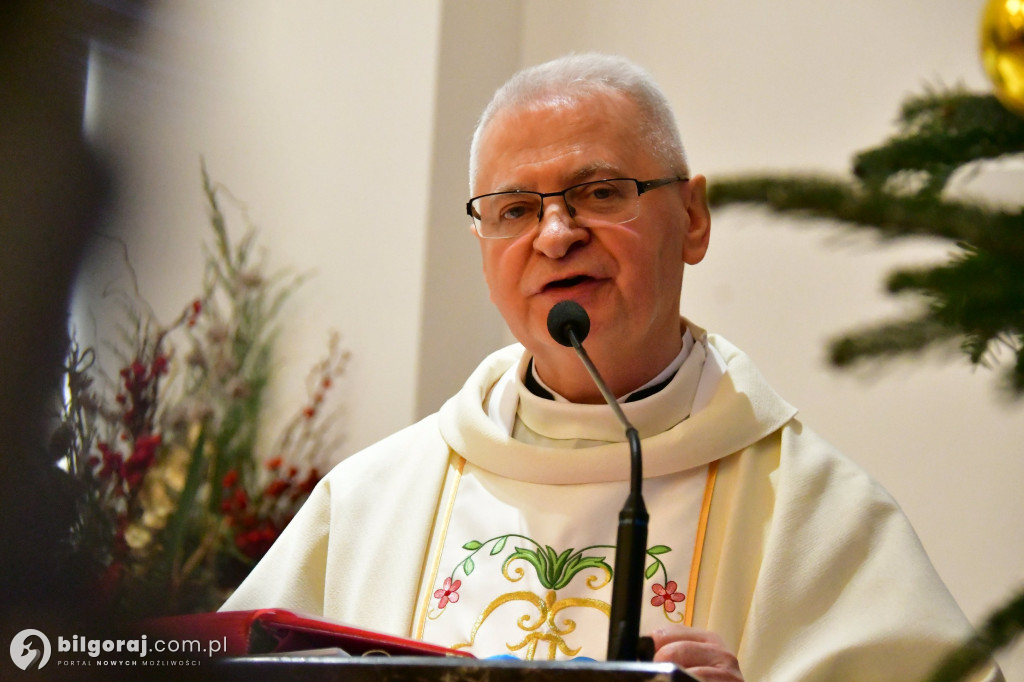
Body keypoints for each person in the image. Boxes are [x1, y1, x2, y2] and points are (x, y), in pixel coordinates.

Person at [222, 54, 1000, 681]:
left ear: (692, 218)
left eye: (599, 193)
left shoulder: (814, 515)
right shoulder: (369, 504)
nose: (555, 235)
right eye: (515, 210)